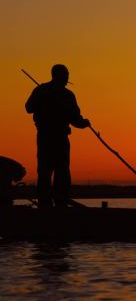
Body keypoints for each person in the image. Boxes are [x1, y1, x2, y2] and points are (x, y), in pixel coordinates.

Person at [25, 64, 90, 208]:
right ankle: (45, 204)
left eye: (67, 74)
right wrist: (41, 97)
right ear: (56, 75)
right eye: (65, 74)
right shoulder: (41, 90)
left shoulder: (68, 96)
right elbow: (28, 108)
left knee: (62, 172)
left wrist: (84, 123)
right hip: (45, 137)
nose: (67, 78)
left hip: (61, 138)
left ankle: (61, 203)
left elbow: (75, 119)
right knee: (44, 171)